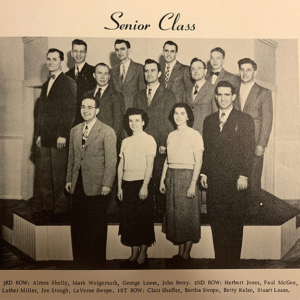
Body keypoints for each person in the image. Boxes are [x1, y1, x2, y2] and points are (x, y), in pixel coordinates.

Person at [200, 81, 255, 269]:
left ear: (233, 97)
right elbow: (206, 150)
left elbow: (249, 150)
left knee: (233, 220)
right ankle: (220, 259)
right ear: (215, 97)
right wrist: (204, 173)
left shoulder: (244, 119)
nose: (223, 98)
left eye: (227, 95)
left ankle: (232, 262)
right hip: (215, 178)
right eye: (219, 95)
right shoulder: (209, 120)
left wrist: (244, 175)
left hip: (235, 179)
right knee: (216, 218)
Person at [65, 97, 117, 269]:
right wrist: (68, 180)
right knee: (78, 225)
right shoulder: (74, 130)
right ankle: (80, 262)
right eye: (83, 107)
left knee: (96, 226)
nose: (86, 110)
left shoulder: (107, 131)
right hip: (77, 185)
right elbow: (71, 158)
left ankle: (96, 264)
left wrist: (107, 184)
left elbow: (111, 161)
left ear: (97, 110)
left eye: (90, 107)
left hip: (97, 186)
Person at [160, 103, 203, 269]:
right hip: (172, 176)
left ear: (188, 116)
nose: (178, 116)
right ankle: (180, 254)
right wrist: (164, 179)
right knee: (176, 217)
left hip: (187, 177)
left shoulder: (194, 135)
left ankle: (186, 255)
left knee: (188, 217)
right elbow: (167, 160)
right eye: (176, 113)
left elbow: (198, 161)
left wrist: (193, 184)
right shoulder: (171, 135)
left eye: (182, 113)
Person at [133, 59, 176, 221]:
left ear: (159, 73)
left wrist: (165, 143)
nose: (149, 73)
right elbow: (135, 119)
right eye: (146, 71)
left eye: (152, 70)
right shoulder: (139, 95)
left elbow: (171, 121)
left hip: (160, 146)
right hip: (142, 145)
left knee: (159, 179)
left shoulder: (168, 94)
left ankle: (160, 216)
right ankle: (145, 215)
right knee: (143, 178)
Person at [35, 48, 77, 217]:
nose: (51, 62)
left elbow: (70, 111)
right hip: (45, 138)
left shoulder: (68, 82)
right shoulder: (46, 84)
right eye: (49, 59)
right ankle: (47, 208)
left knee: (59, 175)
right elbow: (42, 113)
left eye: (54, 59)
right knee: (46, 175)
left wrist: (63, 134)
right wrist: (39, 135)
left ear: (61, 62)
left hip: (59, 137)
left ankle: (61, 210)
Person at [117, 108, 156, 269]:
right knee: (130, 220)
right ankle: (134, 253)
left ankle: (143, 254)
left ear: (143, 122)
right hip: (127, 184)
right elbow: (121, 165)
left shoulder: (149, 140)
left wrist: (145, 186)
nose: (133, 124)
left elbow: (150, 165)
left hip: (141, 183)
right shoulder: (126, 141)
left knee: (143, 220)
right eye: (131, 121)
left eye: (137, 121)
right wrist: (119, 187)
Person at [236, 58, 273, 201]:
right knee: (236, 177)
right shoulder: (234, 90)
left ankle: (253, 214)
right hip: (236, 141)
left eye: (249, 70)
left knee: (253, 177)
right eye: (242, 70)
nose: (245, 73)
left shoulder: (264, 92)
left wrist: (262, 144)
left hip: (255, 142)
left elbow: (267, 120)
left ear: (255, 72)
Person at [83, 62, 125, 146]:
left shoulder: (116, 95)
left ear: (109, 76)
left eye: (106, 74)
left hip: (107, 142)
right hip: (89, 142)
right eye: (99, 73)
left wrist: (111, 142)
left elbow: (118, 122)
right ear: (94, 75)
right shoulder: (86, 95)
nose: (102, 77)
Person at [183, 57, 217, 135]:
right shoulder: (187, 91)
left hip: (206, 134)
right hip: (188, 134)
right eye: (193, 69)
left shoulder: (212, 89)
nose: (196, 71)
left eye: (199, 68)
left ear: (205, 71)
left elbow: (216, 115)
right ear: (190, 72)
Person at [65, 39, 95, 126]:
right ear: (72, 53)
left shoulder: (93, 71)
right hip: (70, 122)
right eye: (76, 51)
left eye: (82, 51)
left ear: (86, 53)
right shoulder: (66, 75)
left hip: (88, 120)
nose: (78, 54)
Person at [110, 39, 145, 111]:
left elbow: (142, 94)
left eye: (122, 49)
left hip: (133, 110)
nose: (119, 52)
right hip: (117, 111)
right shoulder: (112, 71)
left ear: (129, 50)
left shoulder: (139, 68)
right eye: (117, 50)